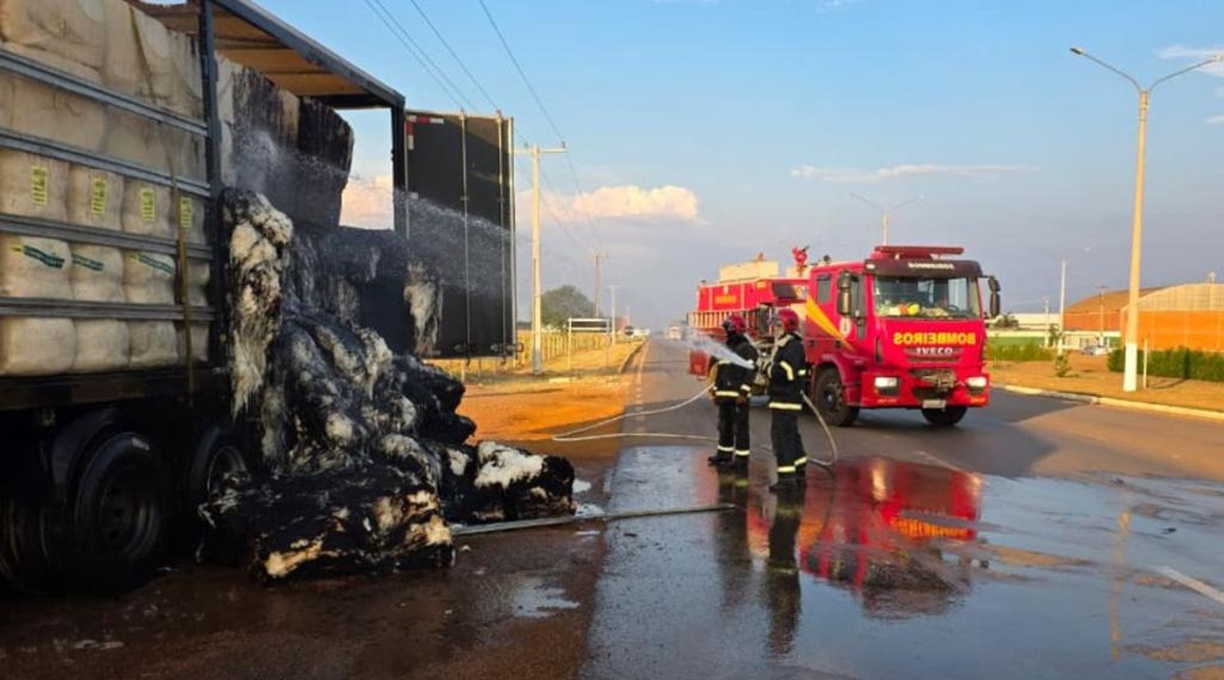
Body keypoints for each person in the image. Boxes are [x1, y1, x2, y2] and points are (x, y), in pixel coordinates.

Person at [708, 314, 758, 469]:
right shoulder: (726, 350)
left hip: (738, 397)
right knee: (724, 426)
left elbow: (750, 372)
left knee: (740, 429)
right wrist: (715, 390)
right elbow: (720, 372)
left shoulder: (747, 349)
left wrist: (743, 393)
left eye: (728, 329)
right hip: (724, 396)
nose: (726, 332)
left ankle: (741, 460)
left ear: (736, 329)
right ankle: (723, 455)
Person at [766, 308, 809, 491]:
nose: (775, 329)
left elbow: (789, 372)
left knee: (782, 439)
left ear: (787, 325)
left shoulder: (793, 346)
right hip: (783, 398)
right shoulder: (786, 344)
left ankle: (786, 479)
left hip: (786, 399)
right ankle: (799, 469)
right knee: (790, 436)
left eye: (778, 325)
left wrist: (768, 368)